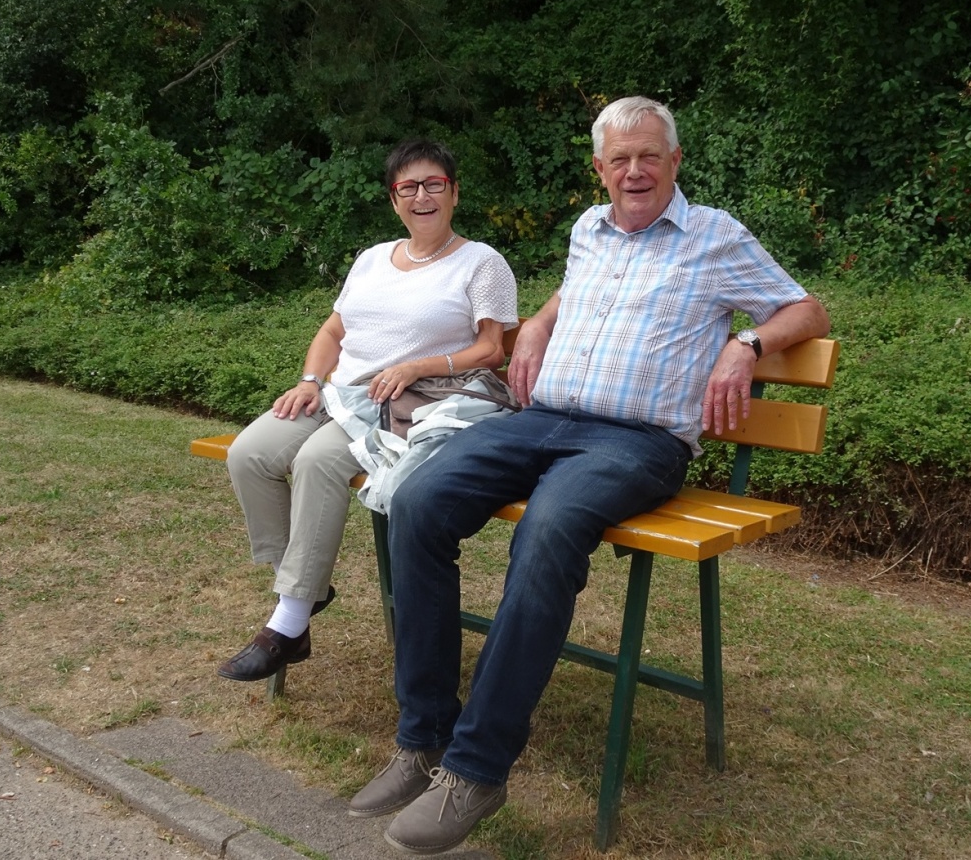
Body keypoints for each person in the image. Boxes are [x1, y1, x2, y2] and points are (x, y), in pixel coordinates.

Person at [349, 96, 831, 854]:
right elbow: (576, 291)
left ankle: (477, 769)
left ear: (674, 162)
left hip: (637, 441)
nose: (634, 171)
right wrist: (541, 320)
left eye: (649, 157)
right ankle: (423, 737)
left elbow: (807, 311)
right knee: (415, 499)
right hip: (540, 420)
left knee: (547, 532)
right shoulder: (589, 229)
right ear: (600, 169)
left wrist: (746, 344)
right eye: (620, 159)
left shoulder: (714, 235)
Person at [217, 139, 518, 682]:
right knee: (249, 455)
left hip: (406, 402)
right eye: (409, 187)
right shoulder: (373, 258)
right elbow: (334, 331)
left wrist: (419, 366)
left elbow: (491, 349)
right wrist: (310, 381)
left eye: (434, 184)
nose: (422, 196)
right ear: (393, 199)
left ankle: (288, 621)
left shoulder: (481, 262)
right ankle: (305, 590)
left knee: (317, 462)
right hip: (339, 392)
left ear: (454, 193)